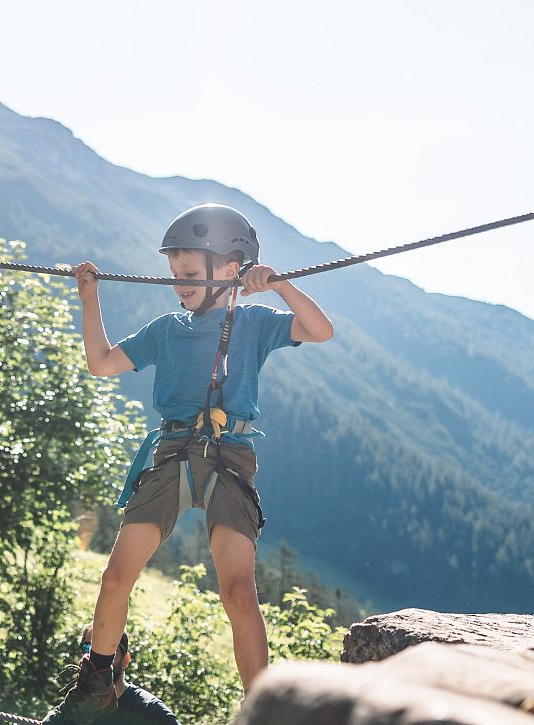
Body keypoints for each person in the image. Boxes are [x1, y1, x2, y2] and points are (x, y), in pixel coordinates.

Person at [48, 202, 333, 719]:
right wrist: (89, 299)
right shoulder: (167, 329)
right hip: (173, 451)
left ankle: (261, 706)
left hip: (230, 457)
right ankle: (99, 680)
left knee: (238, 591)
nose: (177, 285)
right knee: (116, 577)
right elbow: (101, 363)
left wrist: (281, 285)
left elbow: (320, 330)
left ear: (229, 270)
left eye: (187, 274)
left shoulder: (255, 322)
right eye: (174, 274)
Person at [43, 628, 179, 725]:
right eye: (87, 648)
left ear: (125, 660)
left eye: (108, 652)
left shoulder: (150, 711)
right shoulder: (77, 709)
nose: (95, 658)